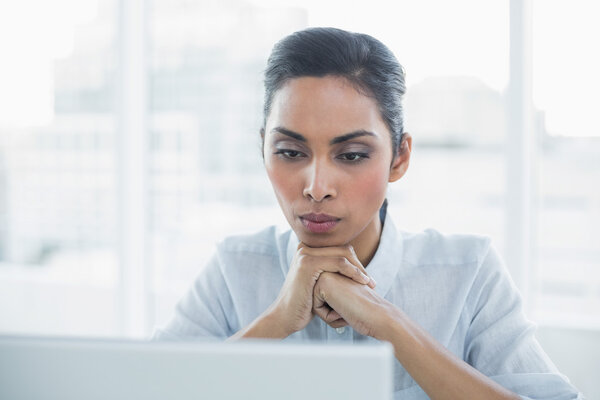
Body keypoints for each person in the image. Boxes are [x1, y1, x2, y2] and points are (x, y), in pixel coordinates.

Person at [152, 27, 582, 399]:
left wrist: (391, 324)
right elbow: (143, 391)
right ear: (263, 150)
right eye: (289, 152)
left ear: (399, 157)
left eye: (352, 155)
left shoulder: (469, 271)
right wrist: (276, 320)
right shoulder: (234, 268)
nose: (316, 188)